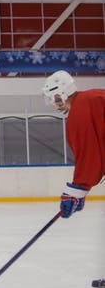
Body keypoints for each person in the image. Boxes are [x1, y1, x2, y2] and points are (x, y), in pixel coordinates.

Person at [42, 69, 105, 215]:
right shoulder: (92, 97)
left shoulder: (79, 112)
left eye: (53, 98)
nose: (54, 103)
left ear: (60, 94)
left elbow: (89, 155)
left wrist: (77, 190)